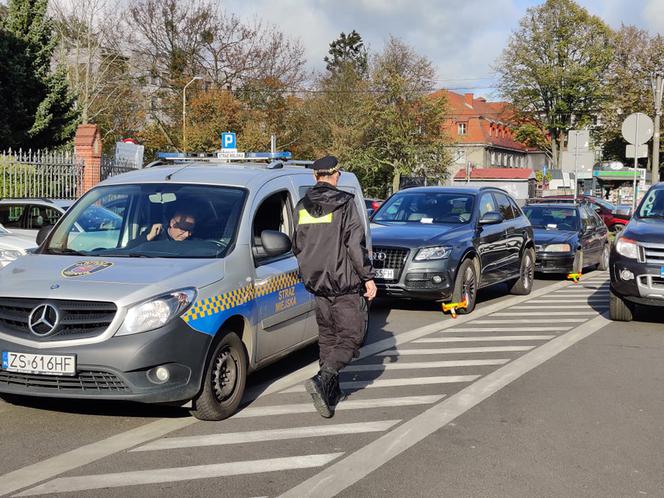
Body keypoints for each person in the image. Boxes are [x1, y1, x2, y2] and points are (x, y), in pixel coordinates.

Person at [292, 155, 377, 418]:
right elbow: (354, 245)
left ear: (314, 177)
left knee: (328, 339)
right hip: (345, 285)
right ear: (336, 174)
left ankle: (330, 394)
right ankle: (323, 378)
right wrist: (368, 277)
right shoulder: (345, 204)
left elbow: (298, 244)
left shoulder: (301, 206)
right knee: (351, 339)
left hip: (318, 286)